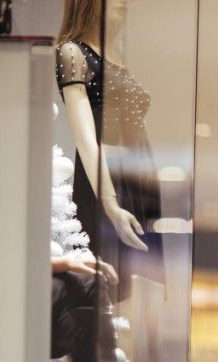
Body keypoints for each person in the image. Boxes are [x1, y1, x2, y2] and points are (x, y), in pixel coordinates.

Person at [56, 0, 164, 303]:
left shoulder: (114, 55)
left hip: (135, 182)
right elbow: (87, 140)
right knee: (105, 289)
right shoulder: (73, 53)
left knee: (133, 290)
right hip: (106, 183)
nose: (124, 2)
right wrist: (110, 203)